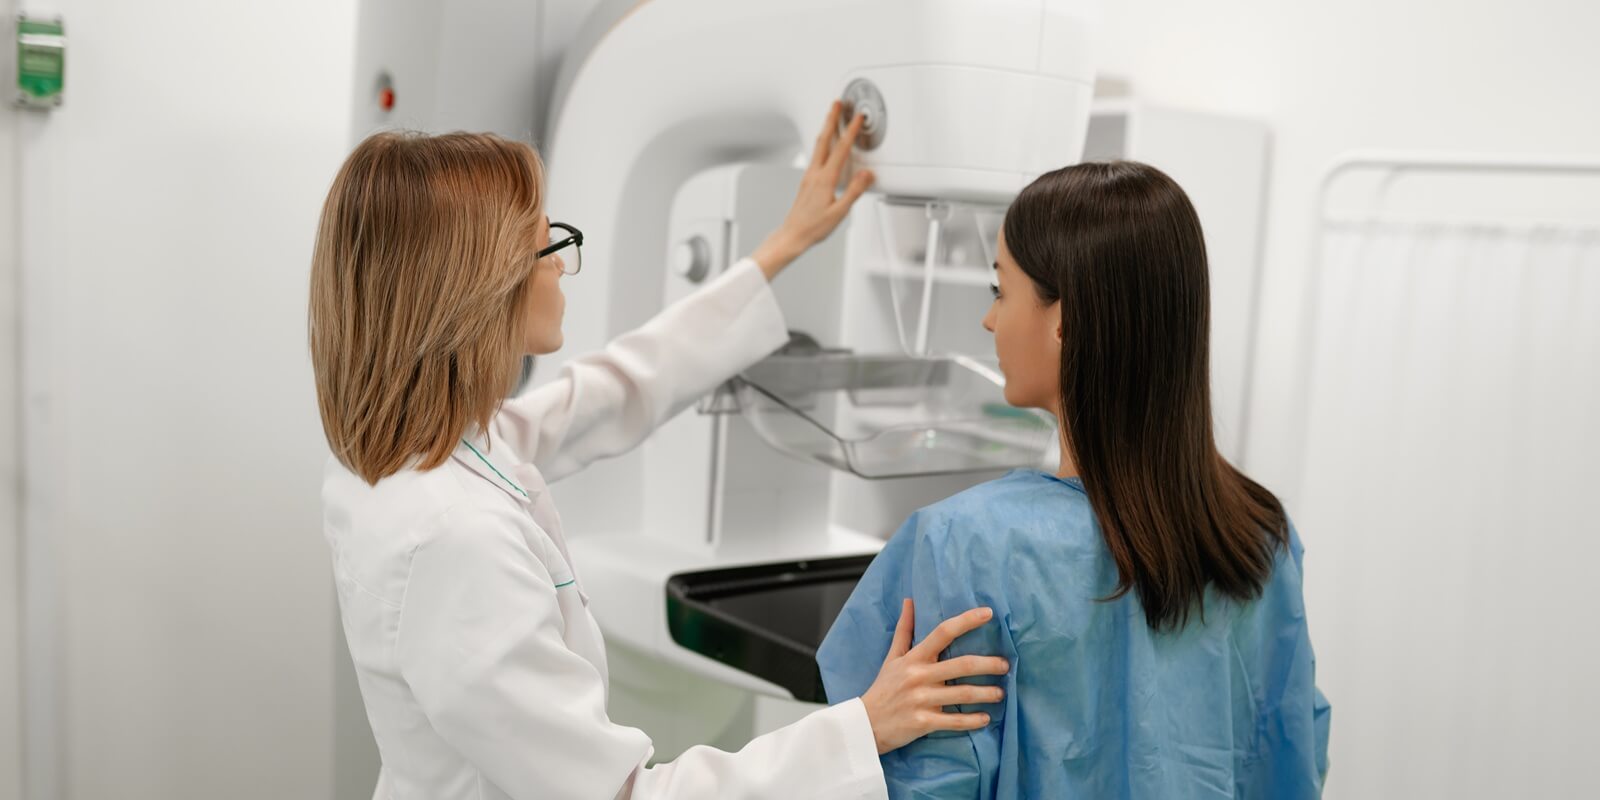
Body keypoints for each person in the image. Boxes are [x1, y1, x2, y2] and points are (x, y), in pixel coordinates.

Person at [308, 103, 1010, 800]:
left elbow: (601, 396)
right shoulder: (458, 538)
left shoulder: (405, 451)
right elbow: (627, 795)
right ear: (479, 288)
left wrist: (785, 244)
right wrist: (863, 727)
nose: (561, 261)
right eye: (542, 239)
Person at [817, 161, 1332, 799]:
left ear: (1064, 319)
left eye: (1000, 290)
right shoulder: (1260, 535)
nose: (989, 320)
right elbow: (1292, 757)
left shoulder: (966, 544)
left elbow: (921, 781)